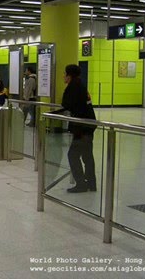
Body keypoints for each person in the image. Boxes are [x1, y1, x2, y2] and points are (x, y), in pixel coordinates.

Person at [58, 64, 97, 193]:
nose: (63, 76)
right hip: (88, 125)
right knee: (87, 155)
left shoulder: (74, 87)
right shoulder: (80, 85)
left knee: (73, 155)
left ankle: (81, 183)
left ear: (69, 75)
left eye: (65, 74)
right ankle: (91, 183)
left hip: (82, 127)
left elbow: (66, 103)